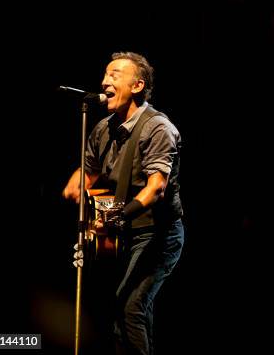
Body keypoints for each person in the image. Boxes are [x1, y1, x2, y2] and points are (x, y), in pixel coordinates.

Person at [62, 51, 184, 354]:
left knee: (132, 308)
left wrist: (118, 217)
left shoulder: (157, 128)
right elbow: (88, 170)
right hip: (119, 236)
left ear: (138, 85)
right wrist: (77, 182)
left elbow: (155, 188)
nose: (105, 81)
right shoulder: (104, 128)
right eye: (104, 75)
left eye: (115, 74)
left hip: (157, 234)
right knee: (115, 312)